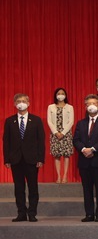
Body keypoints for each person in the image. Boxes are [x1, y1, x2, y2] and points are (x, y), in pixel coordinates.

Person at [4, 94, 45, 222]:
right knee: (19, 188)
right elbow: (6, 141)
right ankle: (21, 213)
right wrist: (7, 159)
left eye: (23, 101)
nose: (21, 103)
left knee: (33, 187)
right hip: (15, 159)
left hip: (32, 159)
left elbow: (41, 141)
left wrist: (40, 158)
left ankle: (32, 213)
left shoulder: (36, 120)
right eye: (18, 101)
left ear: (28, 103)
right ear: (14, 104)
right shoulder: (9, 121)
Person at [73, 94, 98, 223]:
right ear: (85, 107)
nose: (91, 106)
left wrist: (93, 149)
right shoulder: (81, 123)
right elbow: (76, 140)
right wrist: (83, 149)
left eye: (94, 104)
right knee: (87, 189)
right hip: (84, 161)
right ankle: (89, 214)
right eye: (89, 104)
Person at [48, 88, 74, 184]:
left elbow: (71, 121)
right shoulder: (51, 107)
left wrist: (63, 132)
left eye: (62, 93)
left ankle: (65, 176)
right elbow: (49, 121)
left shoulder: (70, 107)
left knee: (66, 155)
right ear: (56, 95)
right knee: (57, 155)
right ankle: (58, 176)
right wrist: (56, 132)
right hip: (55, 134)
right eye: (58, 93)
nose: (60, 95)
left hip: (66, 134)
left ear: (65, 95)